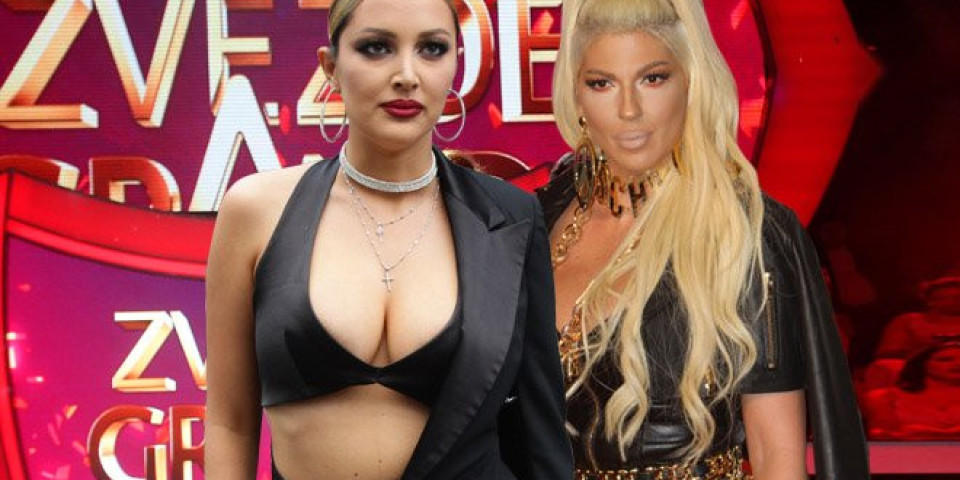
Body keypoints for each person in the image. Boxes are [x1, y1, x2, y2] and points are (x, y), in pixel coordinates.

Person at [203, 0, 573, 478]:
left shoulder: (511, 218)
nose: (407, 75)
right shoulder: (255, 210)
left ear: (456, 64)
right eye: (377, 47)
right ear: (330, 67)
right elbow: (230, 422)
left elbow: (540, 433)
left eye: (432, 49)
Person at [537, 0, 869, 478]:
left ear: (691, 81)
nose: (629, 110)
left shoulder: (743, 232)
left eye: (653, 79)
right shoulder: (540, 218)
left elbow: (776, 457)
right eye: (602, 83)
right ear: (576, 94)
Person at [864, 342, 960, 439]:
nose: (958, 364)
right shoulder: (884, 397)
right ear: (922, 364)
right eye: (945, 360)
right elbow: (881, 435)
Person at [875, 273, 960, 358]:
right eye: (948, 298)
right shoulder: (908, 321)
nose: (955, 302)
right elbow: (888, 353)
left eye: (958, 298)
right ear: (931, 302)